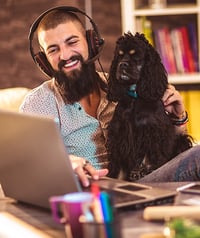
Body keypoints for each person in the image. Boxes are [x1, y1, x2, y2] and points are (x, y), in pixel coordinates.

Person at [20, 6, 200, 187]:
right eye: (53, 50)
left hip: (142, 186)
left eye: (72, 42)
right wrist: (64, 164)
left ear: (92, 42)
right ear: (44, 62)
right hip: (90, 197)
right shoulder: (38, 104)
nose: (65, 55)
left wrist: (177, 118)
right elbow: (25, 168)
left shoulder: (123, 85)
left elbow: (167, 146)